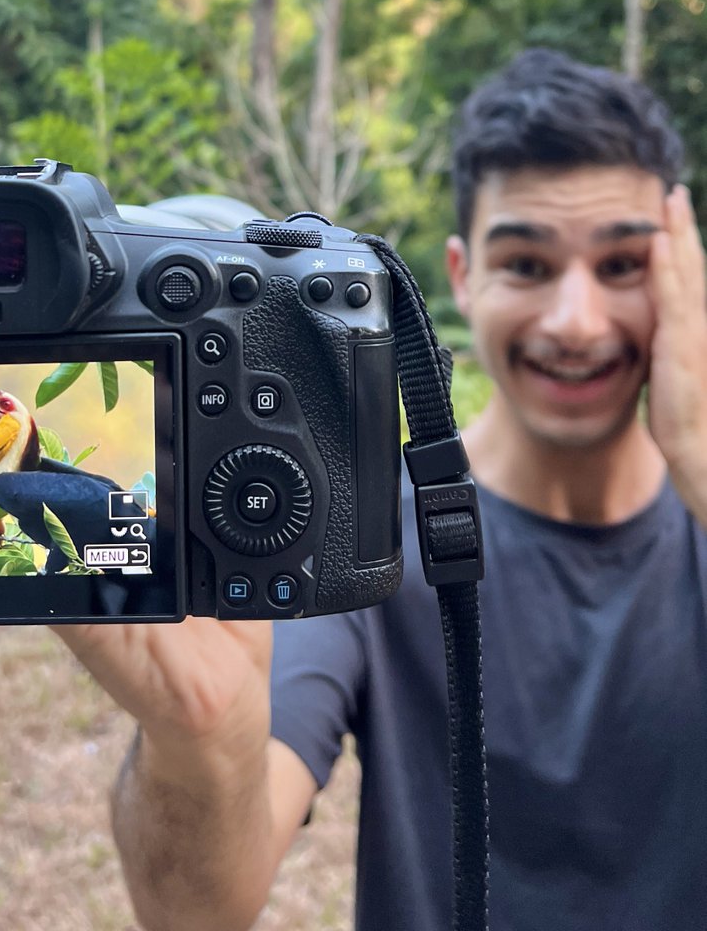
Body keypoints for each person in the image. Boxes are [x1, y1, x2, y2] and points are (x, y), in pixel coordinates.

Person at [53, 48, 707, 931]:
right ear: (462, 275)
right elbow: (199, 909)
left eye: (622, 267)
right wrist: (200, 741)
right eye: (527, 263)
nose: (576, 321)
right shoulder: (361, 533)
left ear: (684, 278)